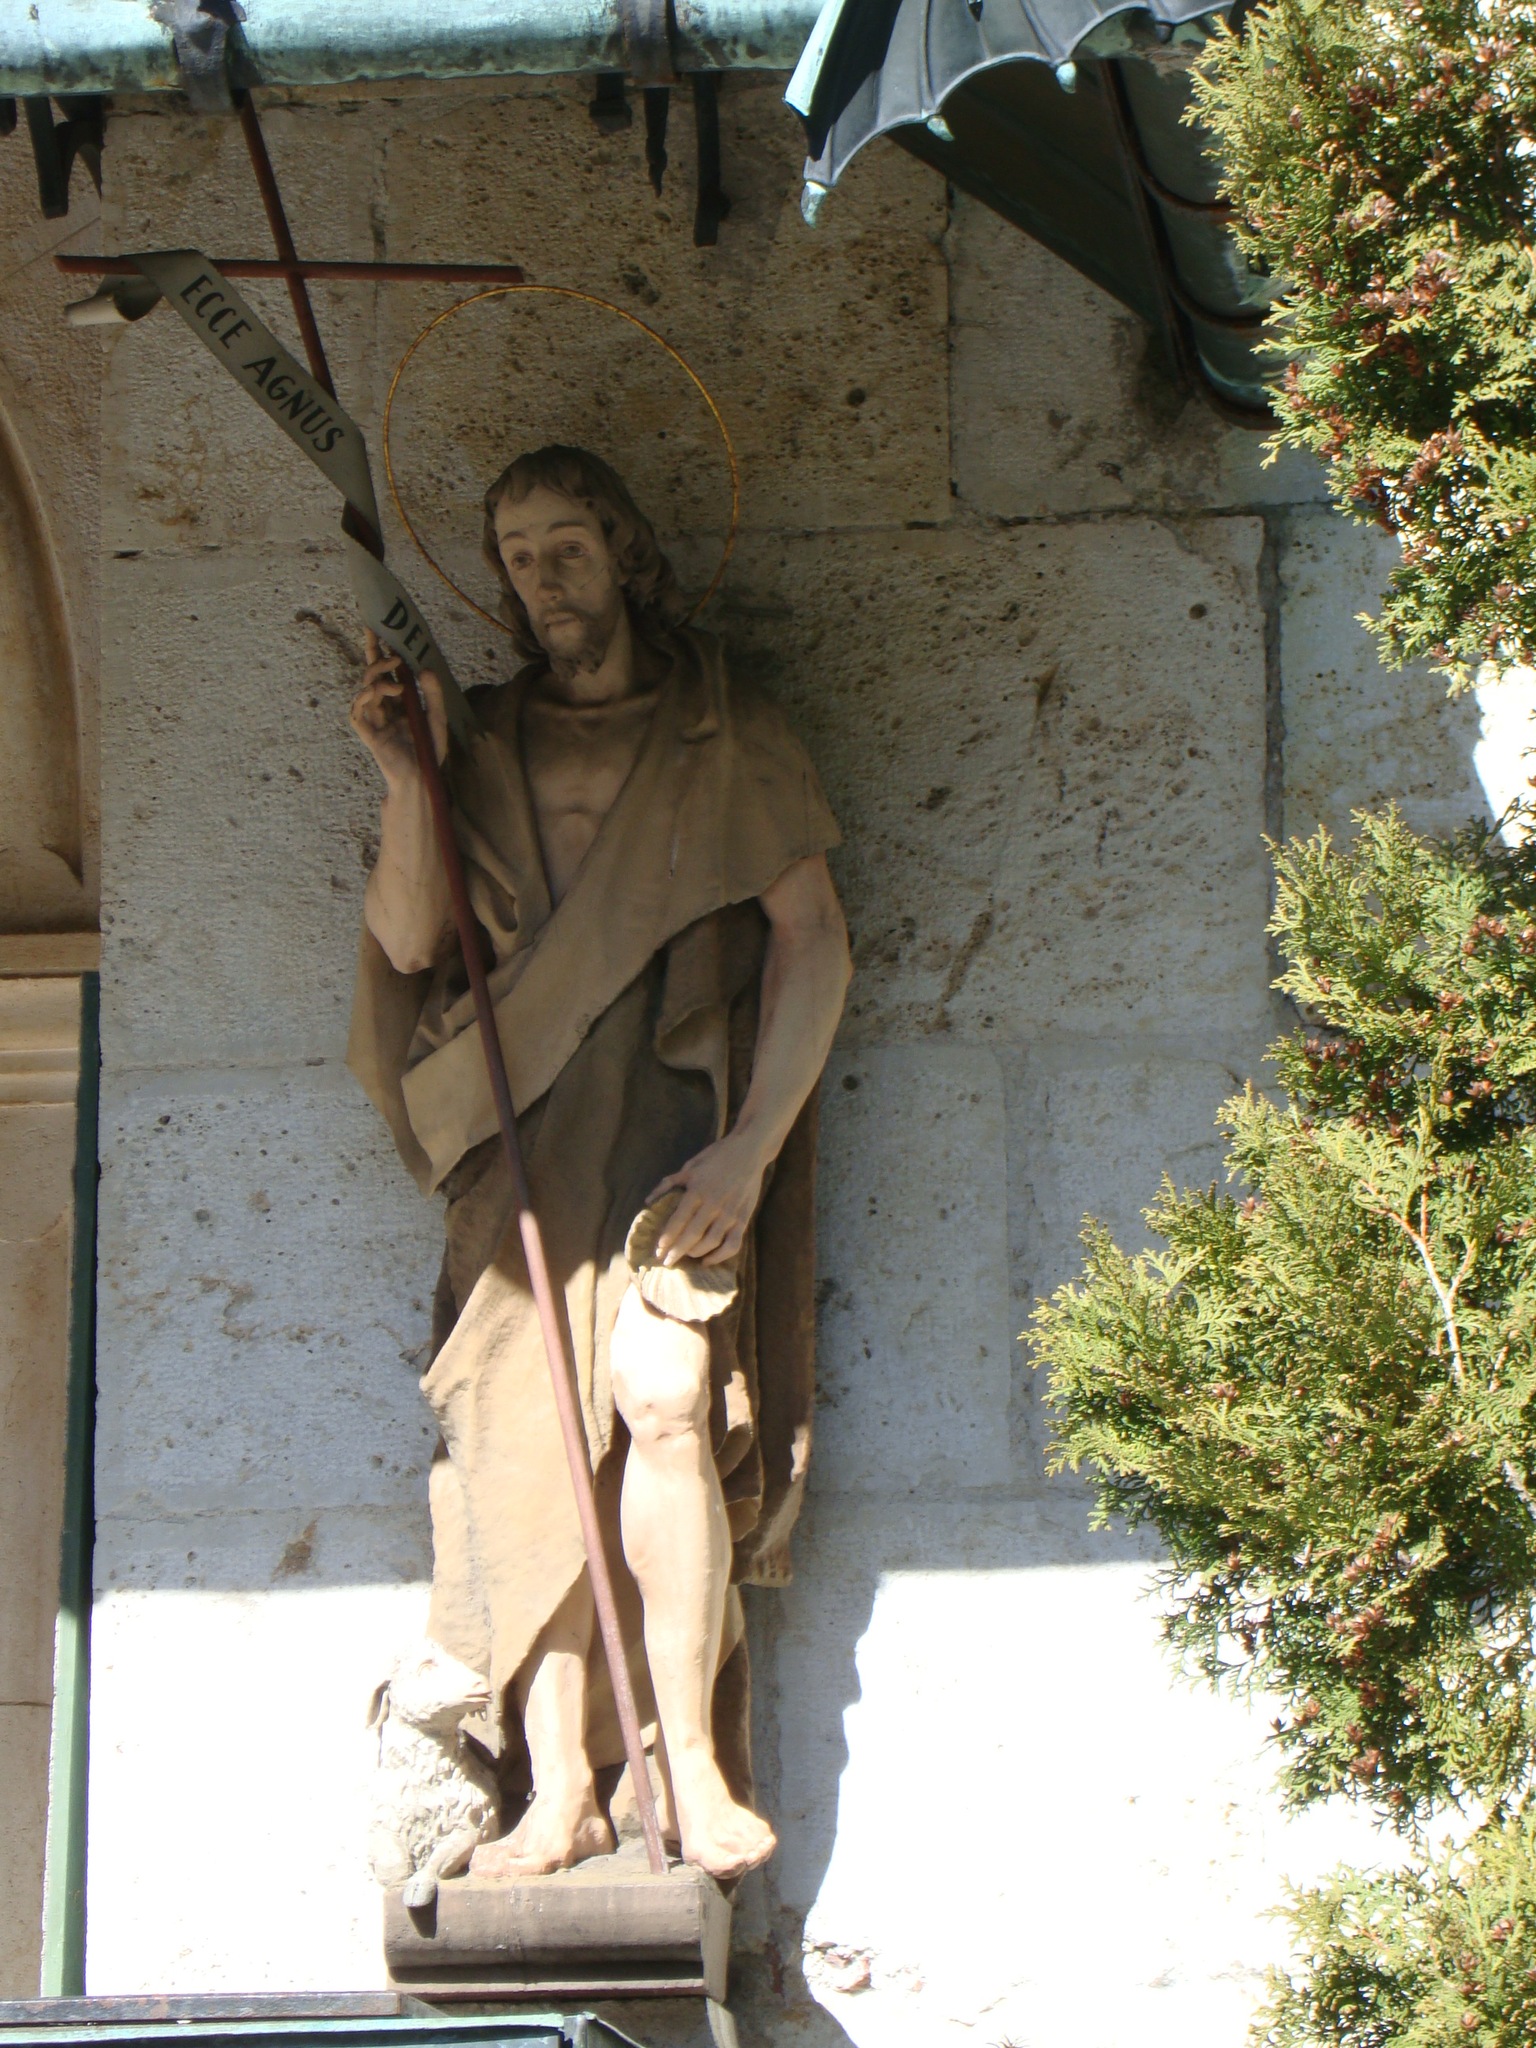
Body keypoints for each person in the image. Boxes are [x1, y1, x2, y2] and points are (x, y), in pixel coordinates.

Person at [347, 446, 850, 1881]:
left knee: (667, 1398)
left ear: (626, 552)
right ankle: (560, 1785)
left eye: (567, 546)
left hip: (672, 1121)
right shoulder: (481, 742)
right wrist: (407, 778)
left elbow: (815, 941)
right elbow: (408, 938)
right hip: (518, 1125)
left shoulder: (723, 728)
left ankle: (688, 1764)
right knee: (534, 1433)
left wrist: (751, 1151)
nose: (543, 579)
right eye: (516, 557)